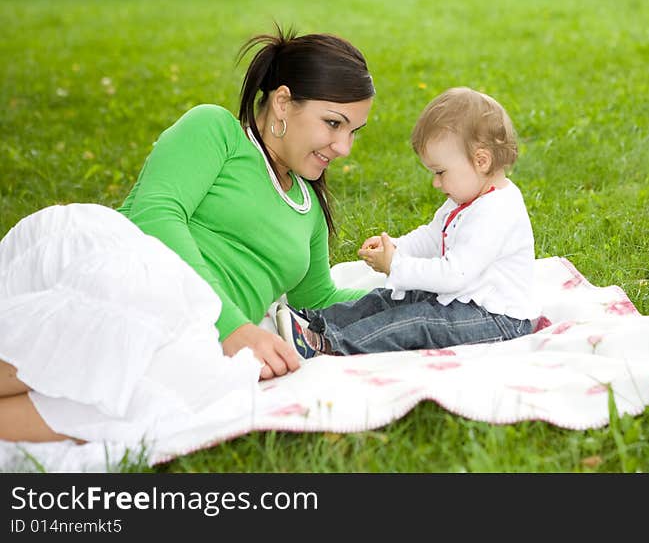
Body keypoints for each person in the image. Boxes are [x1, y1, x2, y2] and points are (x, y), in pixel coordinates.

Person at [0, 25, 376, 443]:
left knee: (175, 396)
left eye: (353, 132)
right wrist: (230, 325)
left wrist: (410, 289)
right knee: (125, 332)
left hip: (191, 336)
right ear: (284, 103)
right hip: (131, 280)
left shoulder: (308, 209)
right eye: (333, 123)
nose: (344, 147)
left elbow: (319, 300)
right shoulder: (217, 132)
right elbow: (155, 216)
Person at [282, 86, 539, 357]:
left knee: (416, 323)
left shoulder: (497, 211)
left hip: (495, 318)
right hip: (461, 300)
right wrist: (396, 247)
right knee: (391, 296)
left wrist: (396, 265)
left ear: (481, 161)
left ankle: (328, 344)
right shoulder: (464, 199)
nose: (436, 182)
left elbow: (454, 275)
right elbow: (431, 236)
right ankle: (316, 320)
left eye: (440, 172)